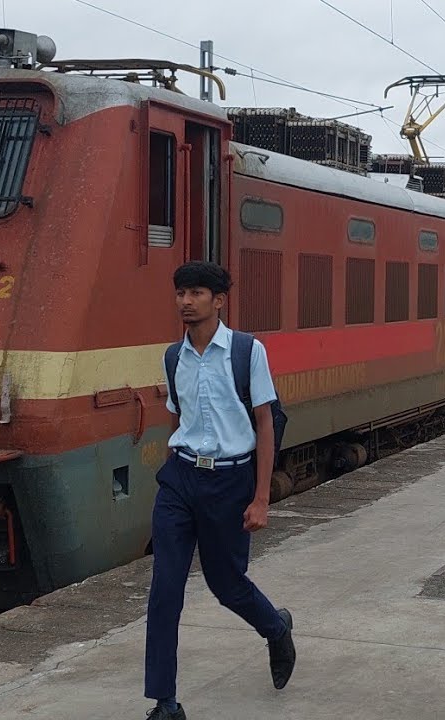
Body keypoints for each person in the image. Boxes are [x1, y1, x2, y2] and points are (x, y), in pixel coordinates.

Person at [145, 261, 296, 720]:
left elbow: (265, 423)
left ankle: (275, 627)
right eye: (179, 294)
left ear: (219, 301)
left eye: (195, 293)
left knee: (226, 585)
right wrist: (174, 465)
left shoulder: (247, 352)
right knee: (164, 589)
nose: (185, 302)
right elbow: (179, 415)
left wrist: (261, 496)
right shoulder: (174, 356)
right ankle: (165, 703)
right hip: (181, 479)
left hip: (230, 481)